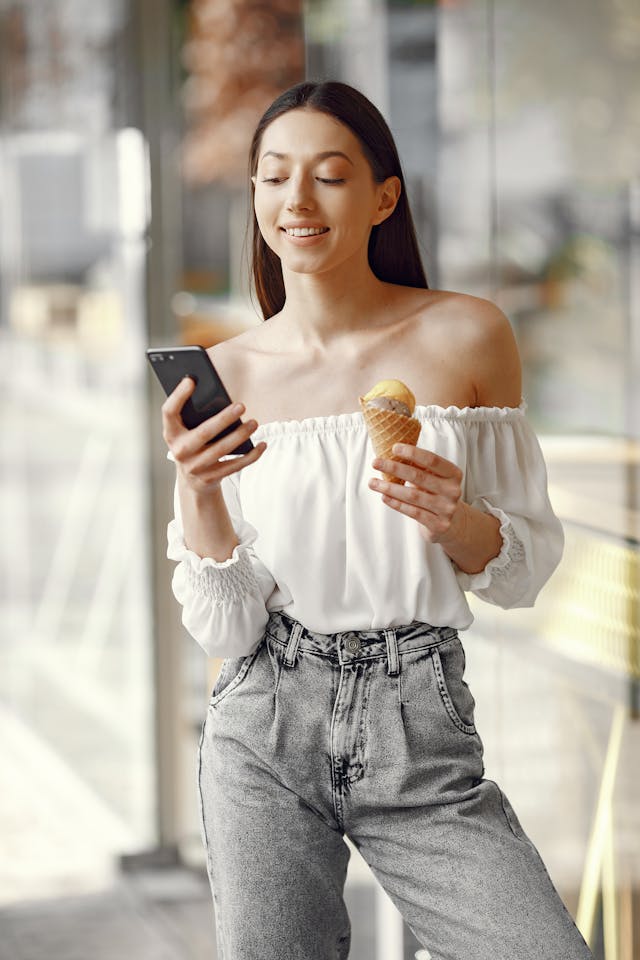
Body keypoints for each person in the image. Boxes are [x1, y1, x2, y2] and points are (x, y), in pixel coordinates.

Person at [161, 81, 593, 960]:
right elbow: (226, 621)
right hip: (265, 721)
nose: (298, 201)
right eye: (275, 177)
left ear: (383, 197)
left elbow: (525, 566)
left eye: (329, 176)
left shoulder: (468, 337)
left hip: (418, 721)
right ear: (254, 195)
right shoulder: (224, 371)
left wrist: (455, 520)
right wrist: (198, 490)